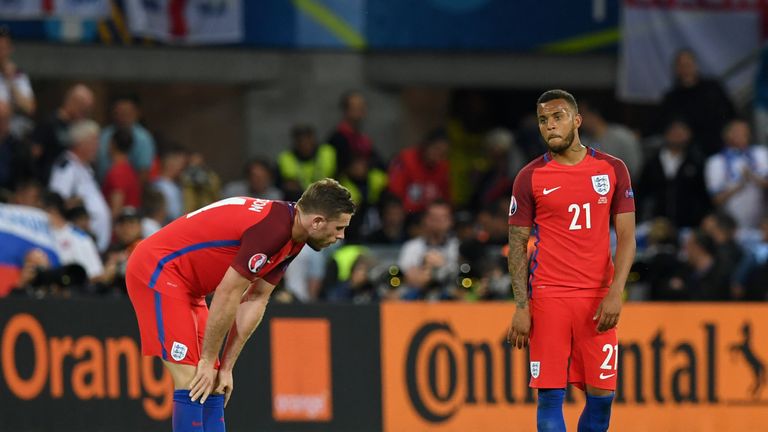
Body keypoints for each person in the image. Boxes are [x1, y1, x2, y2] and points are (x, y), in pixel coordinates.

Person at [125, 178, 354, 432]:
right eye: (339, 227)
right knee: (191, 380)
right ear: (318, 222)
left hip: (189, 287)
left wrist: (225, 366)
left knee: (212, 384)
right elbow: (228, 293)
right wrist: (209, 358)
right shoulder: (273, 231)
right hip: (158, 270)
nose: (341, 236)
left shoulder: (293, 236)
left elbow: (256, 298)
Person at [506, 89, 636, 432]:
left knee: (602, 401)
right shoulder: (529, 177)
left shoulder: (612, 169)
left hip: (597, 297)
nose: (550, 125)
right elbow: (516, 245)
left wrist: (615, 292)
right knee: (550, 397)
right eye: (543, 120)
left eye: (558, 116)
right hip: (549, 296)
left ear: (577, 120)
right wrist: (521, 305)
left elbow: (627, 238)